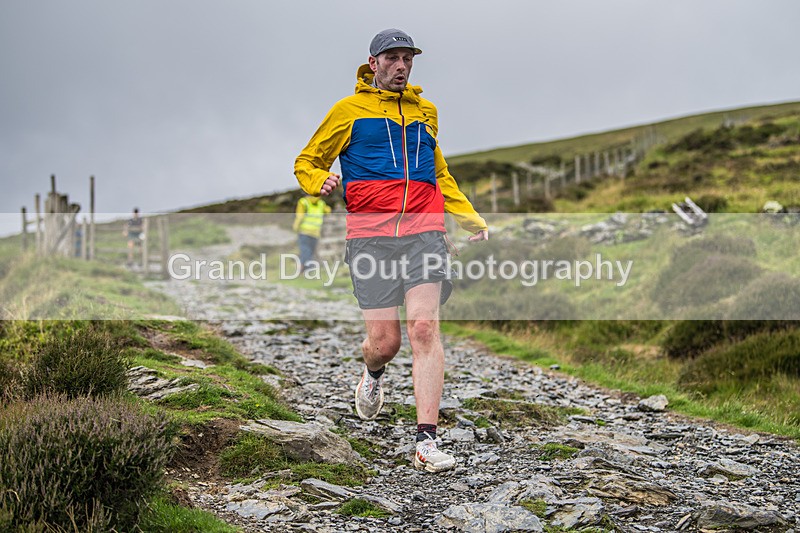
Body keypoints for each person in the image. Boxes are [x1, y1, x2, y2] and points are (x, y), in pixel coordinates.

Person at [295, 29, 488, 473]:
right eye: (393, 58)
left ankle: (426, 442)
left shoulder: (426, 112)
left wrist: (469, 218)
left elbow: (437, 173)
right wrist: (316, 181)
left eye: (408, 59)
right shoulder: (347, 112)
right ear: (373, 62)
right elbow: (307, 160)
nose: (401, 66)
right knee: (385, 343)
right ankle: (373, 372)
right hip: (371, 238)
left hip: (425, 233)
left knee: (424, 329)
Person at [293, 194, 331, 271]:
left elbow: (299, 216)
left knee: (305, 251)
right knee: (311, 252)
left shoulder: (303, 202)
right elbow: (328, 211)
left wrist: (295, 227)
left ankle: (306, 270)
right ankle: (309, 269)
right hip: (316, 232)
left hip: (304, 231)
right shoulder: (321, 203)